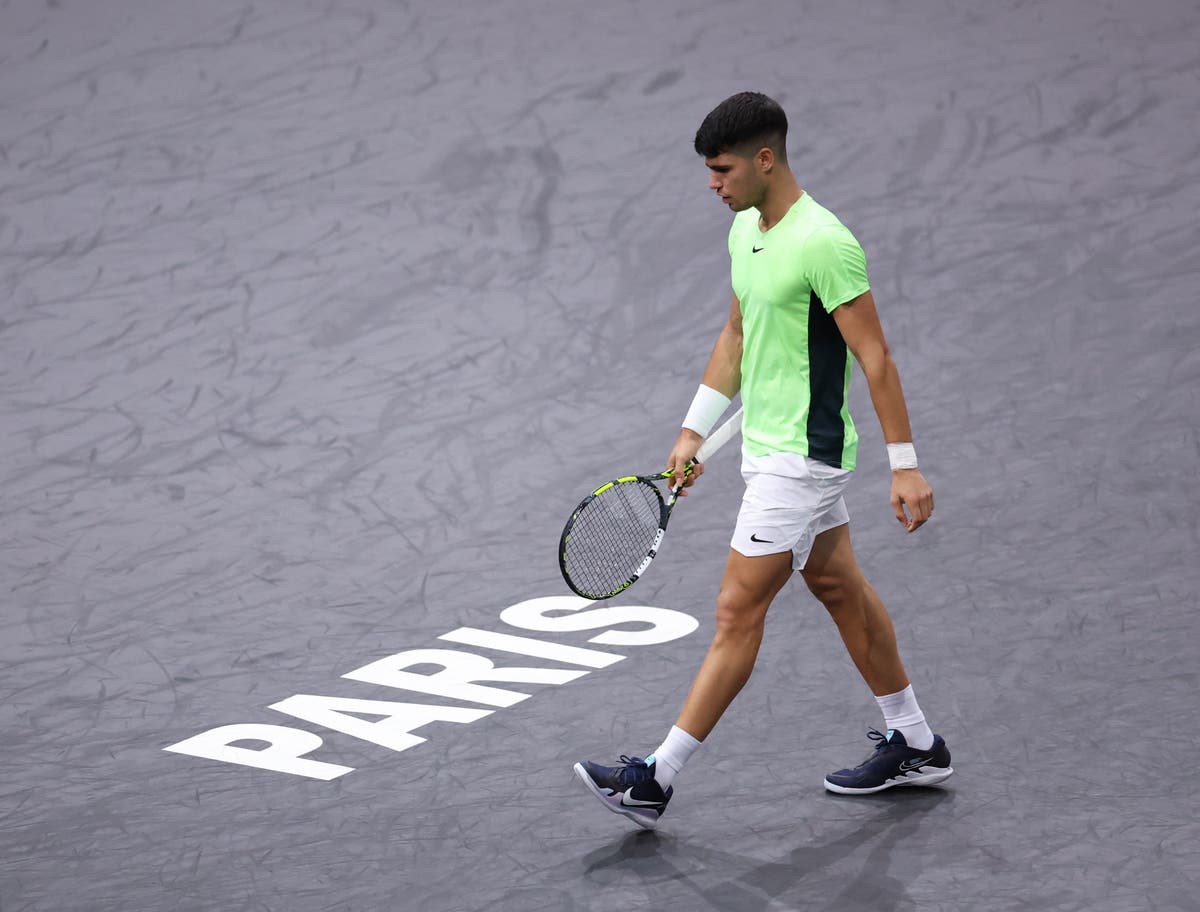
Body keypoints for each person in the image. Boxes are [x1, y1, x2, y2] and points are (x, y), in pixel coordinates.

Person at [573, 91, 953, 830]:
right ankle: (916, 741)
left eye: (722, 170)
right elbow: (738, 335)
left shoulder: (823, 242)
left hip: (801, 463)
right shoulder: (747, 230)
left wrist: (904, 463)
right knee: (840, 588)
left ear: (765, 158)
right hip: (766, 450)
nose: (714, 185)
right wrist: (693, 430)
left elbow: (873, 355)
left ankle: (655, 778)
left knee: (735, 611)